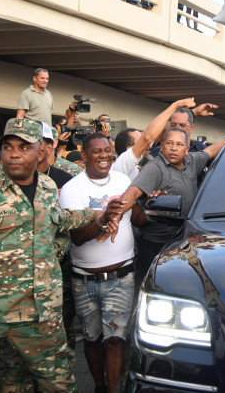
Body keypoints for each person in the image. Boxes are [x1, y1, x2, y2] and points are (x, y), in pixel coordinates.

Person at [0, 118, 124, 392]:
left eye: (24, 147)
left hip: (39, 313)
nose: (14, 153)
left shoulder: (47, 188)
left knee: (55, 383)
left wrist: (99, 216)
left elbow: (58, 218)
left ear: (41, 151)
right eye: (8, 146)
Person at [116, 126, 225, 281]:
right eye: (169, 143)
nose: (173, 148)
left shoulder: (191, 161)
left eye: (179, 145)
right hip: (156, 245)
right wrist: (112, 216)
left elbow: (210, 151)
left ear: (186, 150)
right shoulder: (154, 168)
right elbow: (131, 194)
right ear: (162, 146)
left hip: (182, 242)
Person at [60, 133, 136, 393]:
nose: (104, 156)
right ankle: (100, 386)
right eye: (97, 151)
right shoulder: (72, 189)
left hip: (121, 276)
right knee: (92, 338)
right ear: (84, 156)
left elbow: (137, 216)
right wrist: (104, 218)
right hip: (84, 281)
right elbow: (78, 237)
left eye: (108, 150)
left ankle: (113, 390)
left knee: (116, 339)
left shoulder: (124, 180)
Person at [113, 98, 208, 180]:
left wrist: (192, 113)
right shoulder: (123, 165)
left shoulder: (137, 169)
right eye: (140, 141)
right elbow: (147, 137)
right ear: (129, 149)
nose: (148, 146)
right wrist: (175, 106)